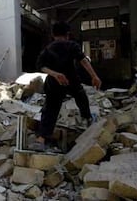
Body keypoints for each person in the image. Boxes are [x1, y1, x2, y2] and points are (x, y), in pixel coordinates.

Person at [31, 21, 101, 152]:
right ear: (67, 34)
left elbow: (41, 66)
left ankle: (41, 139)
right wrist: (94, 76)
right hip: (71, 80)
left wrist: (56, 74)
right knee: (81, 98)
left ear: (53, 35)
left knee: (50, 109)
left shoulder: (48, 48)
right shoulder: (71, 46)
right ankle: (88, 120)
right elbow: (83, 60)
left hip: (54, 83)